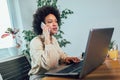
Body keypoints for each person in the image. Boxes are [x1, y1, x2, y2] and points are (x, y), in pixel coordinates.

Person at [28, 6, 80, 80]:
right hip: (41, 78)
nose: (55, 24)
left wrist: (66, 58)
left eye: (56, 21)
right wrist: (47, 39)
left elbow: (60, 54)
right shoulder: (35, 42)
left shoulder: (53, 39)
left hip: (53, 75)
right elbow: (49, 65)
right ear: (41, 25)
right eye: (50, 22)